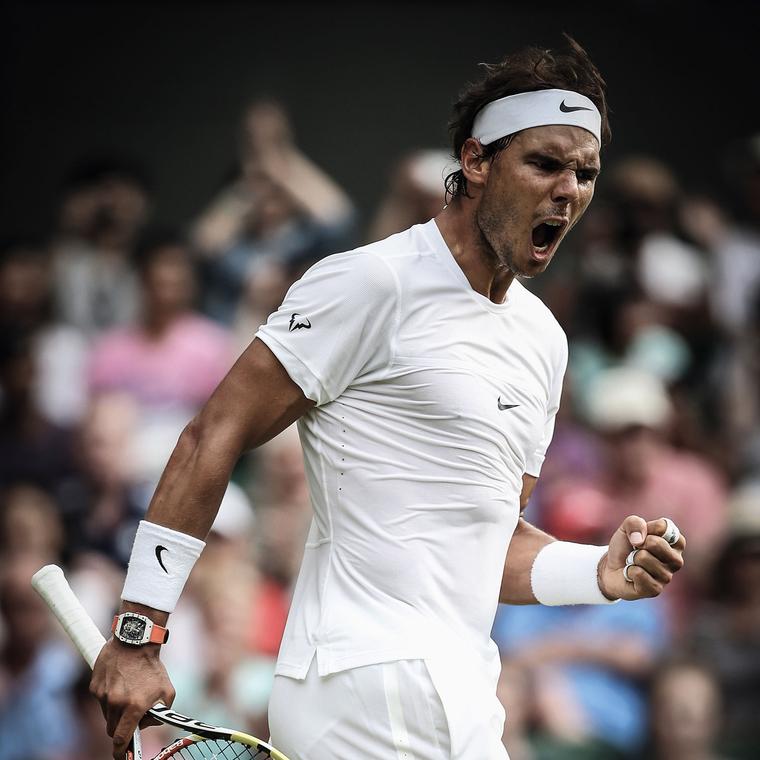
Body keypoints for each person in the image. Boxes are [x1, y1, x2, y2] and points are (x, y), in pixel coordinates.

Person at [91, 37, 687, 760]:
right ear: (475, 161)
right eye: (544, 163)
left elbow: (485, 543)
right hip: (360, 683)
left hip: (465, 691)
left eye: (585, 173)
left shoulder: (543, 341)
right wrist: (138, 632)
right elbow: (210, 434)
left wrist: (597, 571)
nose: (569, 190)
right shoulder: (371, 283)